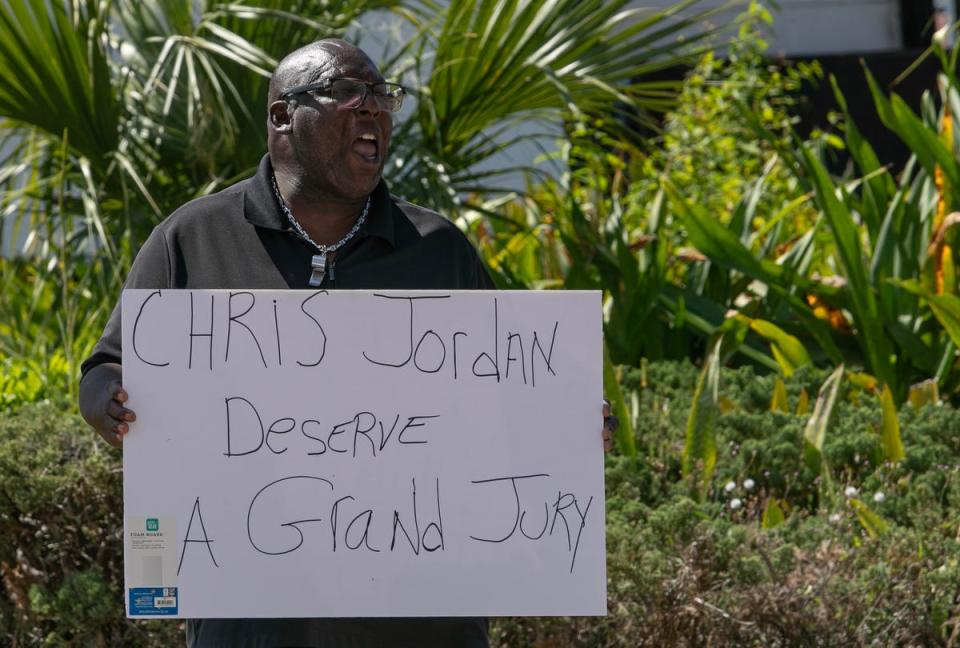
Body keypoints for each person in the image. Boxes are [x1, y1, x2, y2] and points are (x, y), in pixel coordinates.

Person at [80, 38, 615, 647]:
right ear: (282, 117)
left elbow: (514, 394)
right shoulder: (193, 240)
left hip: (424, 621)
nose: (374, 110)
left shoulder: (439, 250)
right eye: (348, 92)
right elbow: (110, 368)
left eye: (383, 96)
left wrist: (571, 428)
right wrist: (108, 398)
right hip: (254, 618)